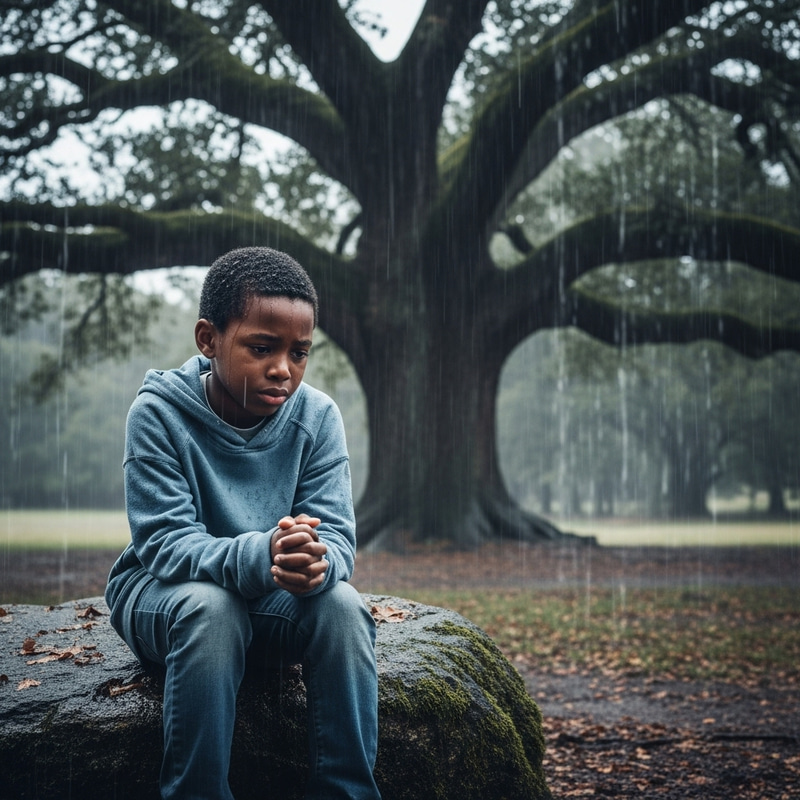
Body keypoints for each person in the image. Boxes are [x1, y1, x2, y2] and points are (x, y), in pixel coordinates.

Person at [105, 246, 381, 800]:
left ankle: (346, 790)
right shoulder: (158, 414)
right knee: (213, 609)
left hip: (268, 600)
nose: (283, 369)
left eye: (299, 353)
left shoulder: (318, 417)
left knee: (343, 606)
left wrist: (315, 563)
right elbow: (164, 544)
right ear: (208, 339)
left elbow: (336, 537)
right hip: (166, 595)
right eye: (262, 348)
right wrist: (267, 552)